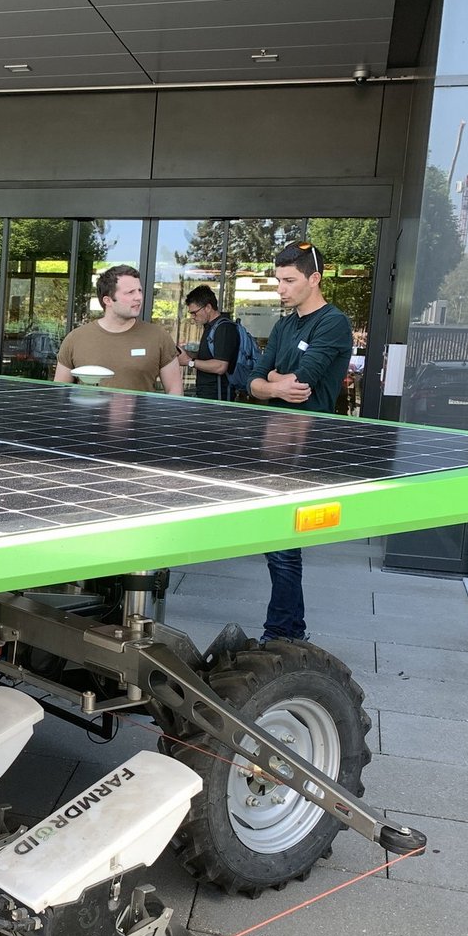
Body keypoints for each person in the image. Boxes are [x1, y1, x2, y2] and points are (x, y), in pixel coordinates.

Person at [246, 240, 354, 643]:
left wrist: (272, 381)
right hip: (275, 440)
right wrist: (275, 384)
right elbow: (252, 381)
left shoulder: (333, 323)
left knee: (283, 544)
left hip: (307, 444)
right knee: (277, 543)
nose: (281, 289)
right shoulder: (284, 325)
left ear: (315, 279)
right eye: (278, 280)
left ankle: (282, 632)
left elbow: (303, 383)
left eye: (289, 280)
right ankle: (288, 630)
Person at [54, 265, 183, 394]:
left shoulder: (158, 337)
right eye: (130, 292)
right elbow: (59, 392)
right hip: (88, 408)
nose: (138, 297)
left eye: (139, 290)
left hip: (141, 408)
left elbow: (175, 390)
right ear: (108, 300)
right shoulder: (76, 339)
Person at [182, 284, 241, 401]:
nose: (193, 317)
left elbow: (220, 366)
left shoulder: (224, 328)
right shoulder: (211, 326)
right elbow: (209, 357)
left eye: (194, 313)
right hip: (208, 393)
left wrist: (189, 362)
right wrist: (188, 354)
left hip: (218, 396)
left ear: (208, 307)